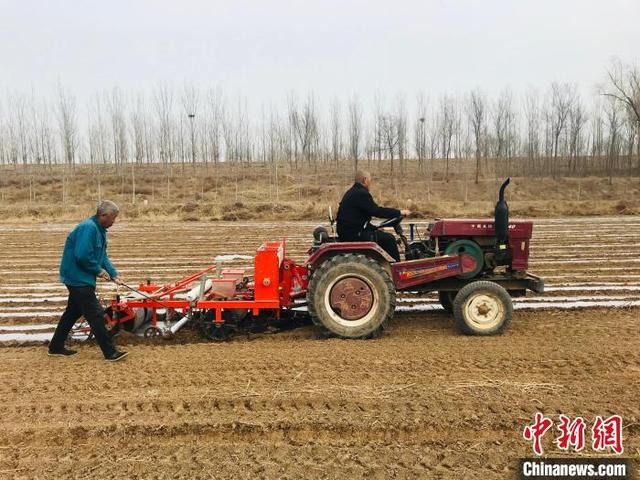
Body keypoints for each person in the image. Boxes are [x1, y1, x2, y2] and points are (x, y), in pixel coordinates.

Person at [48, 200, 128, 361]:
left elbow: (102, 256)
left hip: (81, 277)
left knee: (72, 312)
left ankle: (55, 347)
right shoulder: (88, 228)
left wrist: (113, 274)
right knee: (96, 315)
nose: (114, 221)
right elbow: (82, 256)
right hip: (76, 277)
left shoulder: (100, 231)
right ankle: (110, 352)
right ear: (103, 215)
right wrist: (98, 271)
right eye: (113, 218)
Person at [336, 170, 410, 261]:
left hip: (350, 232)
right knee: (389, 239)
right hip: (354, 235)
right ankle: (396, 269)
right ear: (365, 180)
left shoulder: (353, 192)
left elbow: (358, 219)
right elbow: (376, 211)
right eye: (370, 180)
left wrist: (374, 228)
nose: (371, 183)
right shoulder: (360, 193)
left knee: (382, 235)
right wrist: (399, 212)